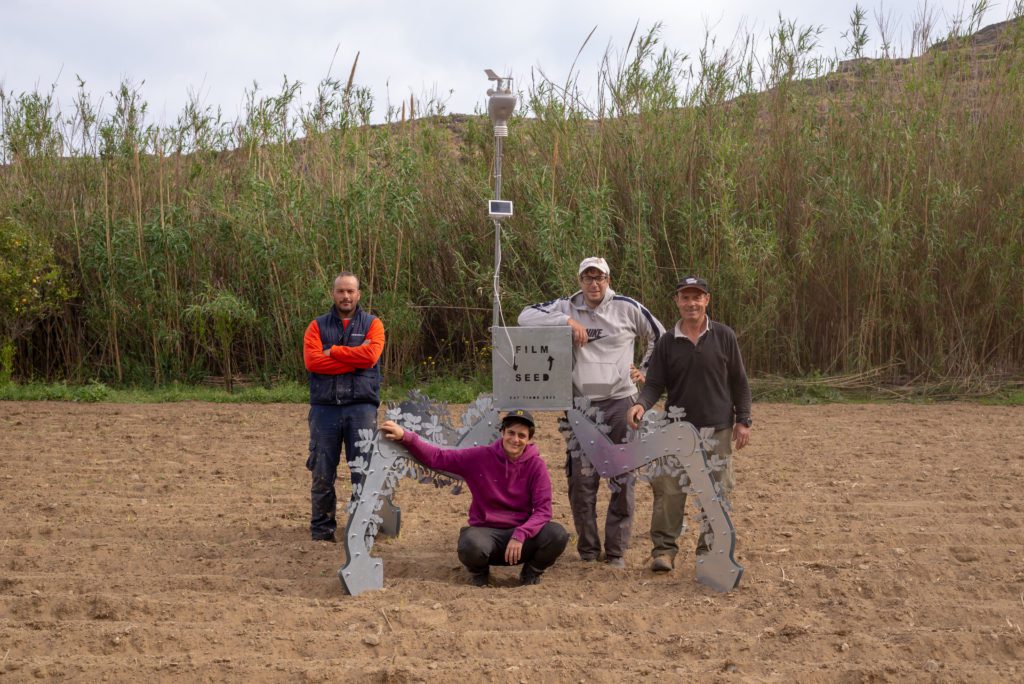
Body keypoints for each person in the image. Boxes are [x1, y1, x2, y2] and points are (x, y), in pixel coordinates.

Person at [518, 257, 664, 567]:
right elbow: (524, 316)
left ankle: (615, 552)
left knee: (622, 478)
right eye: (587, 278)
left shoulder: (627, 307)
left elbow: (659, 335)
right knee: (581, 482)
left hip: (621, 402)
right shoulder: (565, 306)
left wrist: (646, 370)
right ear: (580, 280)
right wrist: (565, 322)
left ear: (608, 280)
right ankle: (587, 550)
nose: (593, 284)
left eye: (599, 278)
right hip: (580, 406)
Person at [626, 275, 752, 572]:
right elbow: (654, 384)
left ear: (707, 300)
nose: (691, 303)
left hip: (717, 429)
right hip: (676, 430)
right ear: (677, 301)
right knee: (668, 490)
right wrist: (640, 405)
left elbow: (739, 381)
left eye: (697, 297)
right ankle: (664, 551)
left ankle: (709, 551)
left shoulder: (724, 336)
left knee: (716, 491)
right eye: (685, 297)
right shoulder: (667, 343)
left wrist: (743, 419)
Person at [379, 409, 569, 586]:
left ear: (529, 439)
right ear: (502, 433)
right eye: (511, 433)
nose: (515, 439)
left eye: (522, 435)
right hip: (487, 535)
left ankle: (531, 572)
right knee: (470, 544)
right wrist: (406, 437)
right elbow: (438, 457)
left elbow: (544, 510)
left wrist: (521, 533)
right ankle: (480, 574)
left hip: (520, 538)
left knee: (557, 534)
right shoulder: (479, 457)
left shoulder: (536, 466)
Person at [303, 272, 385, 542]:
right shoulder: (316, 326)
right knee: (322, 471)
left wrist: (334, 351)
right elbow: (313, 362)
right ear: (333, 294)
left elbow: (371, 356)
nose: (346, 296)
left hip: (361, 408)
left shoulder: (373, 324)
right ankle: (322, 530)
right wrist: (355, 359)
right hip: (325, 409)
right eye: (341, 291)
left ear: (358, 294)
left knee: (363, 469)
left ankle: (362, 528)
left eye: (350, 291)